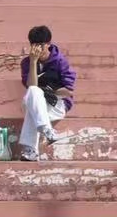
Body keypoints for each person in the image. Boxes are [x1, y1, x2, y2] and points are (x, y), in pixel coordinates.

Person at [18, 25, 77, 161]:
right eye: (34, 45)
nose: (38, 49)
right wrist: (33, 62)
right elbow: (30, 86)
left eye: (41, 45)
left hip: (57, 104)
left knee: (33, 109)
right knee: (34, 91)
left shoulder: (60, 61)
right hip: (36, 102)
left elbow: (68, 91)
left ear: (48, 44)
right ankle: (47, 131)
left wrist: (51, 90)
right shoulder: (27, 63)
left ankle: (31, 150)